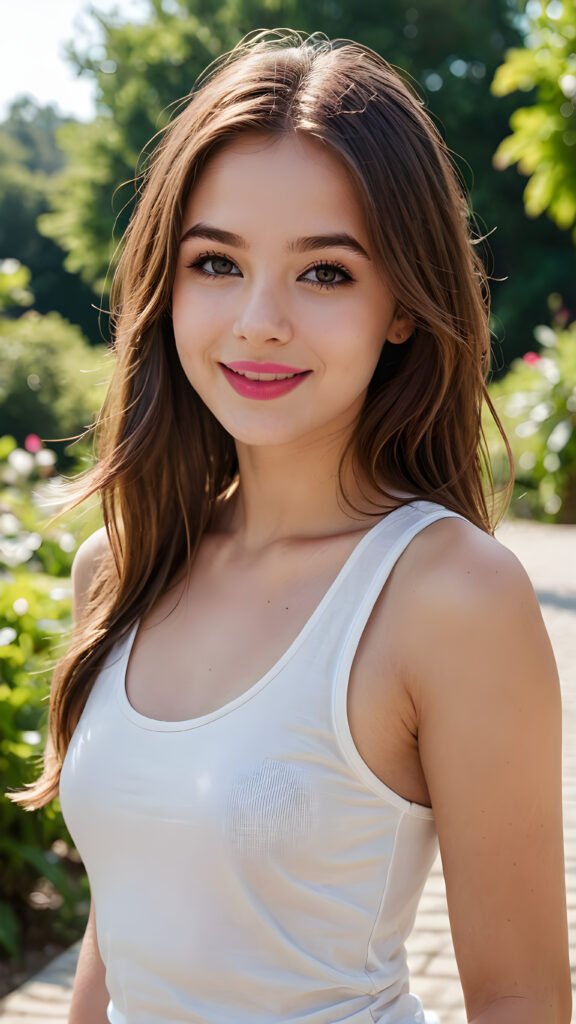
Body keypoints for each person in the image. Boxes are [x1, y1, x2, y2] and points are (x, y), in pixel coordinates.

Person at [12, 29, 570, 1024]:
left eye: (324, 273)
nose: (259, 320)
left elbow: (520, 996)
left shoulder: (451, 596)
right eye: (216, 262)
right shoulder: (123, 565)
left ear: (401, 303)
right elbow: (125, 921)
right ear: (166, 283)